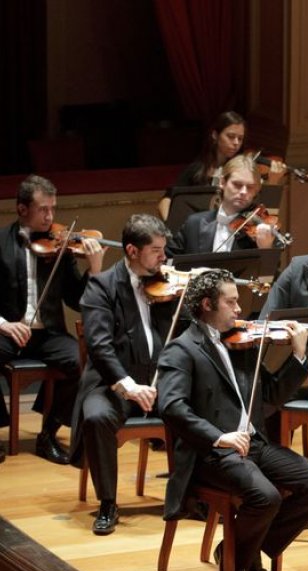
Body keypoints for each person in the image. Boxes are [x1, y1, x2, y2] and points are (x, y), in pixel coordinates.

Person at [156, 270, 308, 571]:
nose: (240, 310)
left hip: (254, 445)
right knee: (264, 497)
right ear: (208, 304)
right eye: (231, 302)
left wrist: (298, 355)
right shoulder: (181, 350)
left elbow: (272, 397)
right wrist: (218, 436)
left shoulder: (243, 345)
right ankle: (240, 558)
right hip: (212, 453)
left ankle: (237, 550)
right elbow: (171, 407)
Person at [70, 214, 179, 534]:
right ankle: (107, 503)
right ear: (132, 251)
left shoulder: (166, 285)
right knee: (97, 417)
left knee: (198, 408)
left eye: (164, 250)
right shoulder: (101, 287)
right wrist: (129, 387)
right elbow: (100, 348)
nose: (164, 257)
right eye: (156, 250)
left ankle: (189, 496)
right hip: (111, 384)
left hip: (159, 383)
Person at [0, 174, 104, 464]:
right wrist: (4, 324)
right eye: (43, 209)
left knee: (79, 361)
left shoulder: (60, 246)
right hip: (8, 330)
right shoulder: (0, 243)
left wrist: (94, 270)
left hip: (47, 334)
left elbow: (78, 300)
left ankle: (48, 433)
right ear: (22, 209)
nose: (50, 216)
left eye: (53, 209)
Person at [157, 111, 284, 220]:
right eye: (231, 136)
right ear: (215, 135)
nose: (236, 143)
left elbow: (265, 215)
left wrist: (273, 181)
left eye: (240, 138)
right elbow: (166, 200)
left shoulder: (243, 170)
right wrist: (172, 227)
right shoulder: (197, 169)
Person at [166, 155, 278, 257]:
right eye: (237, 185)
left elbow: (271, 275)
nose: (244, 191)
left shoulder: (262, 229)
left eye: (250, 187)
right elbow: (167, 260)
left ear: (257, 190)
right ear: (222, 182)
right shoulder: (194, 224)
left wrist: (265, 248)